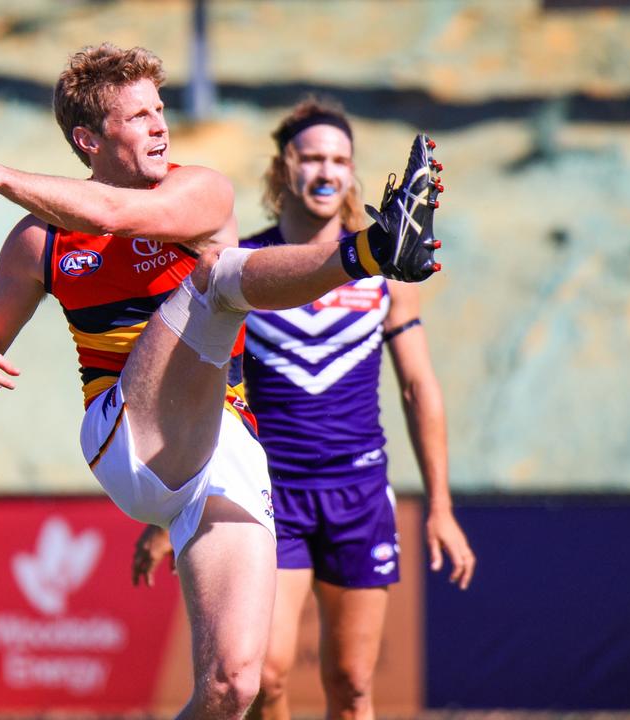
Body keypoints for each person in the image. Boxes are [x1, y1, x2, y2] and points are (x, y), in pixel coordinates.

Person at [0, 44, 441, 719]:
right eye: (139, 116)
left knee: (232, 687)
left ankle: (373, 249)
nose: (161, 125)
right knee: (218, 279)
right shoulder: (39, 239)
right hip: (128, 435)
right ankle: (371, 251)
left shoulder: (201, 191)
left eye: (160, 110)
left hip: (226, 457)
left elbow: (114, 215)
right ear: (88, 139)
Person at [130, 98, 474, 720]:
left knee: (353, 687)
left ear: (352, 173)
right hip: (270, 494)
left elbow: (418, 388)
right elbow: (208, 396)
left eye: (340, 159)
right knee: (266, 675)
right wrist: (166, 515)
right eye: (311, 156)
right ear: (283, 169)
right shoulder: (245, 270)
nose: (326, 170)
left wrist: (442, 508)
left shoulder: (382, 274)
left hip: (360, 495)